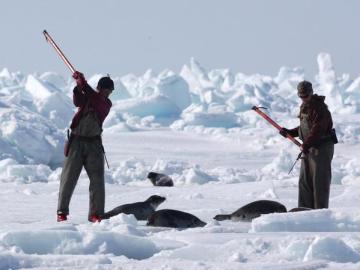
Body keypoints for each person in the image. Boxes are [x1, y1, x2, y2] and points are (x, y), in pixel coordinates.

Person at [57, 71, 114, 222]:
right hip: (76, 142)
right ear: (99, 88)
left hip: (94, 145)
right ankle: (62, 212)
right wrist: (78, 86)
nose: (107, 93)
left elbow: (96, 100)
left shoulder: (105, 104)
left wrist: (83, 83)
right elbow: (78, 101)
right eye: (105, 89)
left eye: (110, 91)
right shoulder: (89, 97)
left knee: (97, 181)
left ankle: (96, 214)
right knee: (68, 178)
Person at [280, 80, 337, 209]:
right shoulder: (305, 107)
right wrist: (290, 132)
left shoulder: (320, 108)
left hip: (321, 149)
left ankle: (319, 213)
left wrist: (306, 144)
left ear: (311, 93)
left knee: (319, 182)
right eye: (301, 96)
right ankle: (304, 211)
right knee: (304, 181)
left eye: (305, 95)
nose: (303, 98)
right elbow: (304, 128)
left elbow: (318, 129)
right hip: (308, 147)